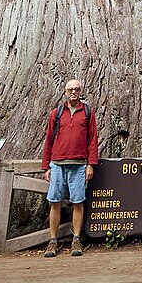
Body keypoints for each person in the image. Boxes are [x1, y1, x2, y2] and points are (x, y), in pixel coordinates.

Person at [41, 77, 99, 257]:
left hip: (79, 165)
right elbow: (49, 140)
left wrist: (91, 164)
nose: (73, 92)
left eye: (77, 89)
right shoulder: (56, 113)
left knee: (78, 202)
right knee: (55, 202)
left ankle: (76, 239)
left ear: (80, 92)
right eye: (70, 89)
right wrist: (46, 167)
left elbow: (92, 140)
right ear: (65, 92)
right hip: (57, 164)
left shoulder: (87, 112)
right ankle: (52, 241)